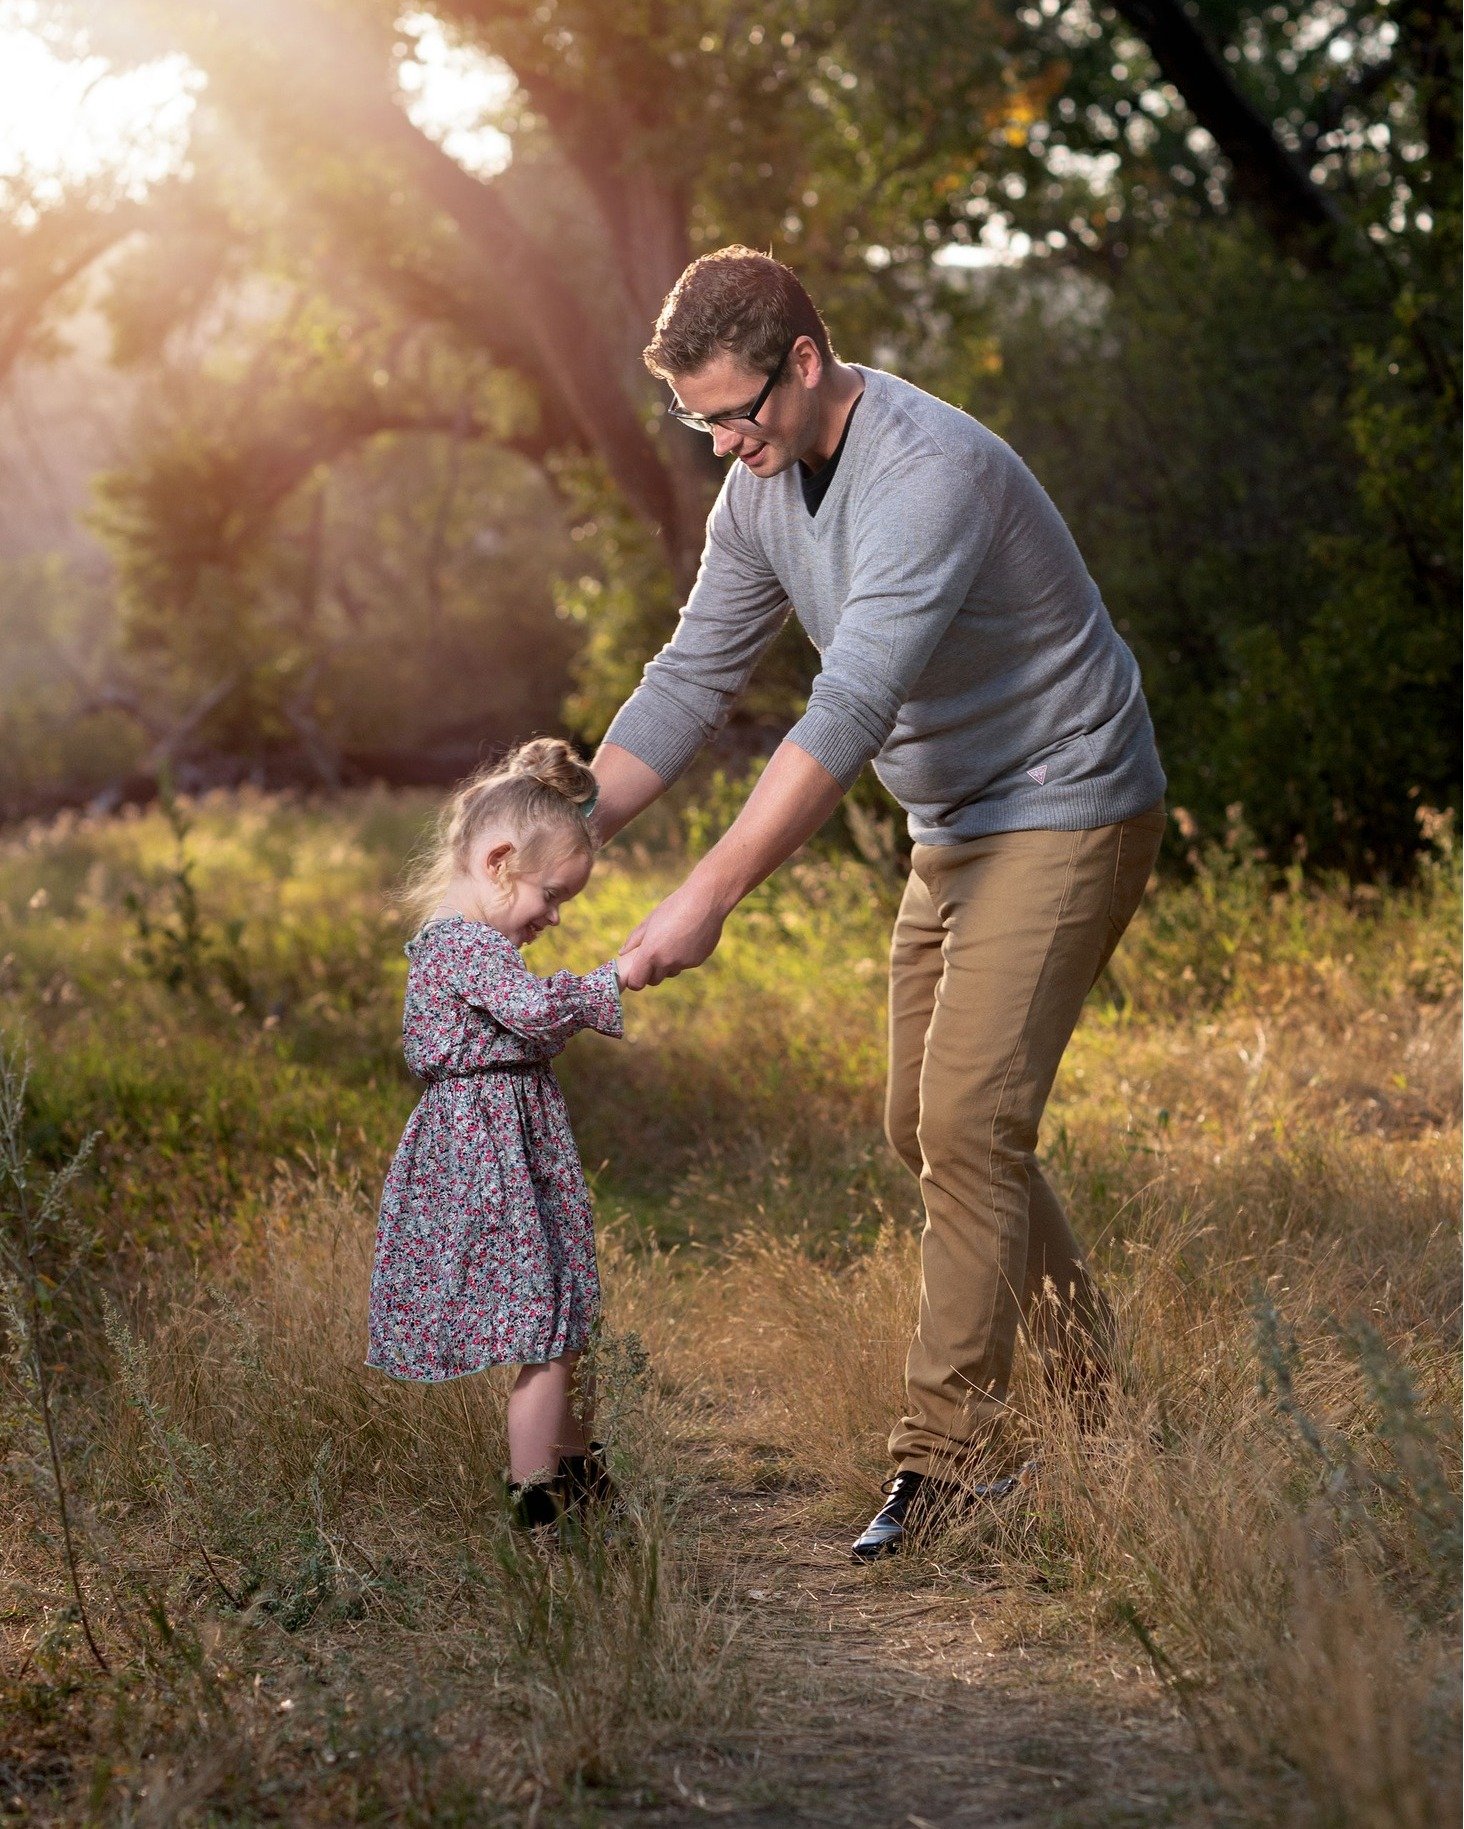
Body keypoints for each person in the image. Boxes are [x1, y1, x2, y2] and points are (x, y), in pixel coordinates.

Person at [588, 247, 1167, 1560]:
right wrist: (568, 834)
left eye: (741, 413)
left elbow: (844, 711)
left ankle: (951, 1460)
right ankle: (1095, 1418)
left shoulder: (928, 474)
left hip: (1069, 797)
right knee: (929, 1127)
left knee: (972, 1120)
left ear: (804, 362)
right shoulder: (758, 488)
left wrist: (705, 897)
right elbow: (691, 677)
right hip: (954, 821)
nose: (728, 445)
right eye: (701, 425)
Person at [367, 738, 631, 1536]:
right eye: (551, 897)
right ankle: (538, 1509)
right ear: (500, 860)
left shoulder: (474, 944)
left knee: (565, 1316)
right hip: (491, 1159)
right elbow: (538, 1015)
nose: (552, 918)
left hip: (514, 1147)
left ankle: (583, 1478)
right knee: (546, 1330)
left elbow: (530, 1029)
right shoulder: (465, 945)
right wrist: (611, 980)